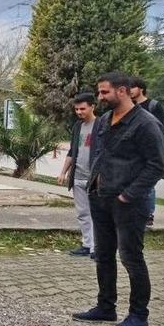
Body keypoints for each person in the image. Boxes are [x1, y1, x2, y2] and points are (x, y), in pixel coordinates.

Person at [72, 72, 164, 326]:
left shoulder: (146, 124)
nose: (100, 97)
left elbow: (159, 166)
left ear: (123, 91)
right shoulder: (104, 120)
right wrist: (94, 186)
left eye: (104, 92)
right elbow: (100, 156)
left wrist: (128, 194)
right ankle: (105, 307)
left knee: (130, 257)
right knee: (103, 255)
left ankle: (139, 314)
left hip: (129, 203)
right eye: (99, 92)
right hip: (100, 198)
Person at [58, 93, 102, 259]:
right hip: (78, 176)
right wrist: (63, 172)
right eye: (76, 109)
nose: (79, 112)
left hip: (95, 179)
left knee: (97, 214)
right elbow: (72, 151)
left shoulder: (101, 125)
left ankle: (98, 248)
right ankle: (87, 244)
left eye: (82, 108)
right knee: (83, 213)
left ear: (92, 107)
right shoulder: (78, 126)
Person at [130, 77, 164, 227]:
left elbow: (160, 129)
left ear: (141, 89)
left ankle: (148, 214)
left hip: (149, 149)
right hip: (133, 150)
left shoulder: (153, 105)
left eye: (132, 87)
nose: (129, 90)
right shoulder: (129, 106)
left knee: (148, 182)